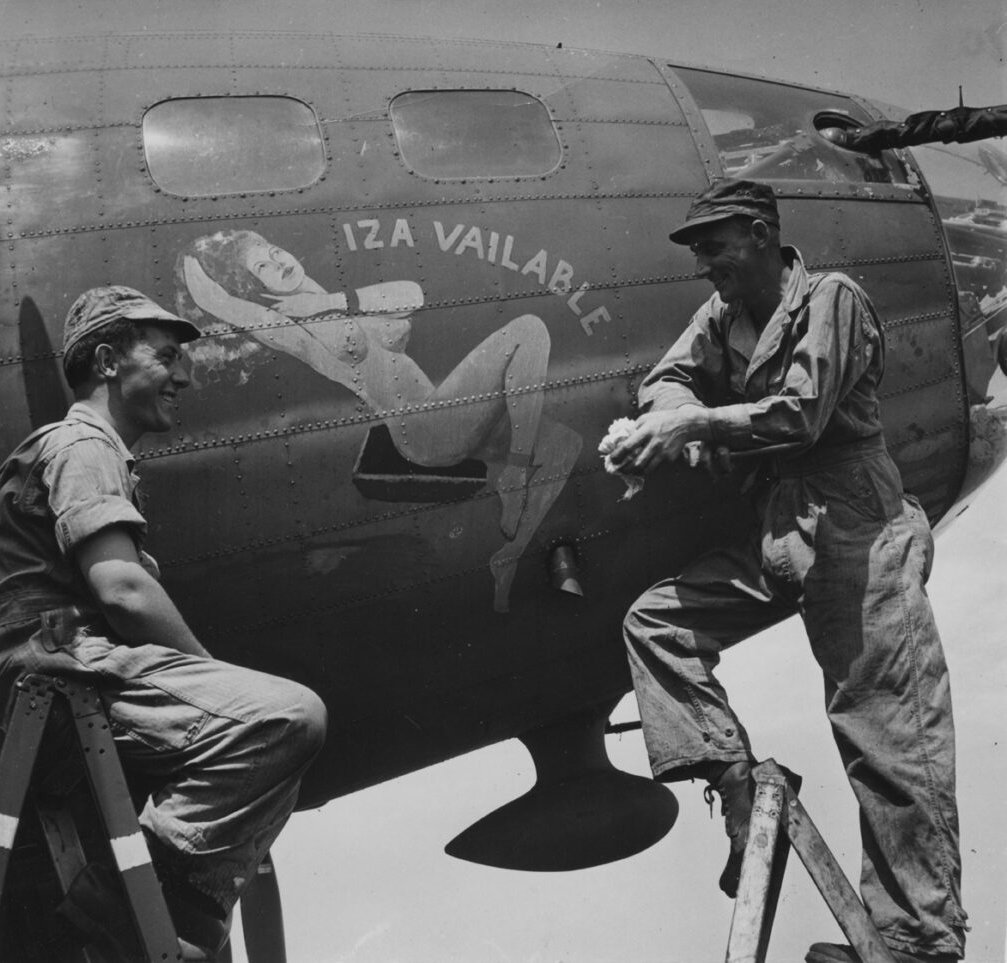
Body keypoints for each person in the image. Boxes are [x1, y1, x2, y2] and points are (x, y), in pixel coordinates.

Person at [607, 180, 967, 963]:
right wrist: (671, 415)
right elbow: (666, 378)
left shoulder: (830, 299)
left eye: (714, 244)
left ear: (763, 234)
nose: (704, 263)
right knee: (657, 622)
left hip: (856, 528)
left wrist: (699, 423)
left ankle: (918, 941)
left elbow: (803, 413)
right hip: (782, 530)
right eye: (697, 249)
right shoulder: (724, 317)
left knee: (887, 735)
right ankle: (739, 794)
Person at [0, 286, 327, 960]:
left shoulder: (74, 448)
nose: (185, 375)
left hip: (50, 680)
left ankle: (156, 907)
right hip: (54, 674)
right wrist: (211, 676)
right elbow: (122, 586)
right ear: (108, 360)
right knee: (285, 718)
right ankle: (140, 903)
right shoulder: (82, 443)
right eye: (166, 356)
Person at [176, 230, 581, 611]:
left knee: (566, 445)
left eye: (275, 253)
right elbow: (228, 307)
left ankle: (508, 557)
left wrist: (327, 300)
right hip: (428, 433)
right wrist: (201, 278)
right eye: (262, 268)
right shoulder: (292, 327)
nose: (278, 264)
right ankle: (515, 473)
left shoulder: (327, 298)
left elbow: (412, 294)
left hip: (446, 411)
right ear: (258, 288)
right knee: (529, 330)